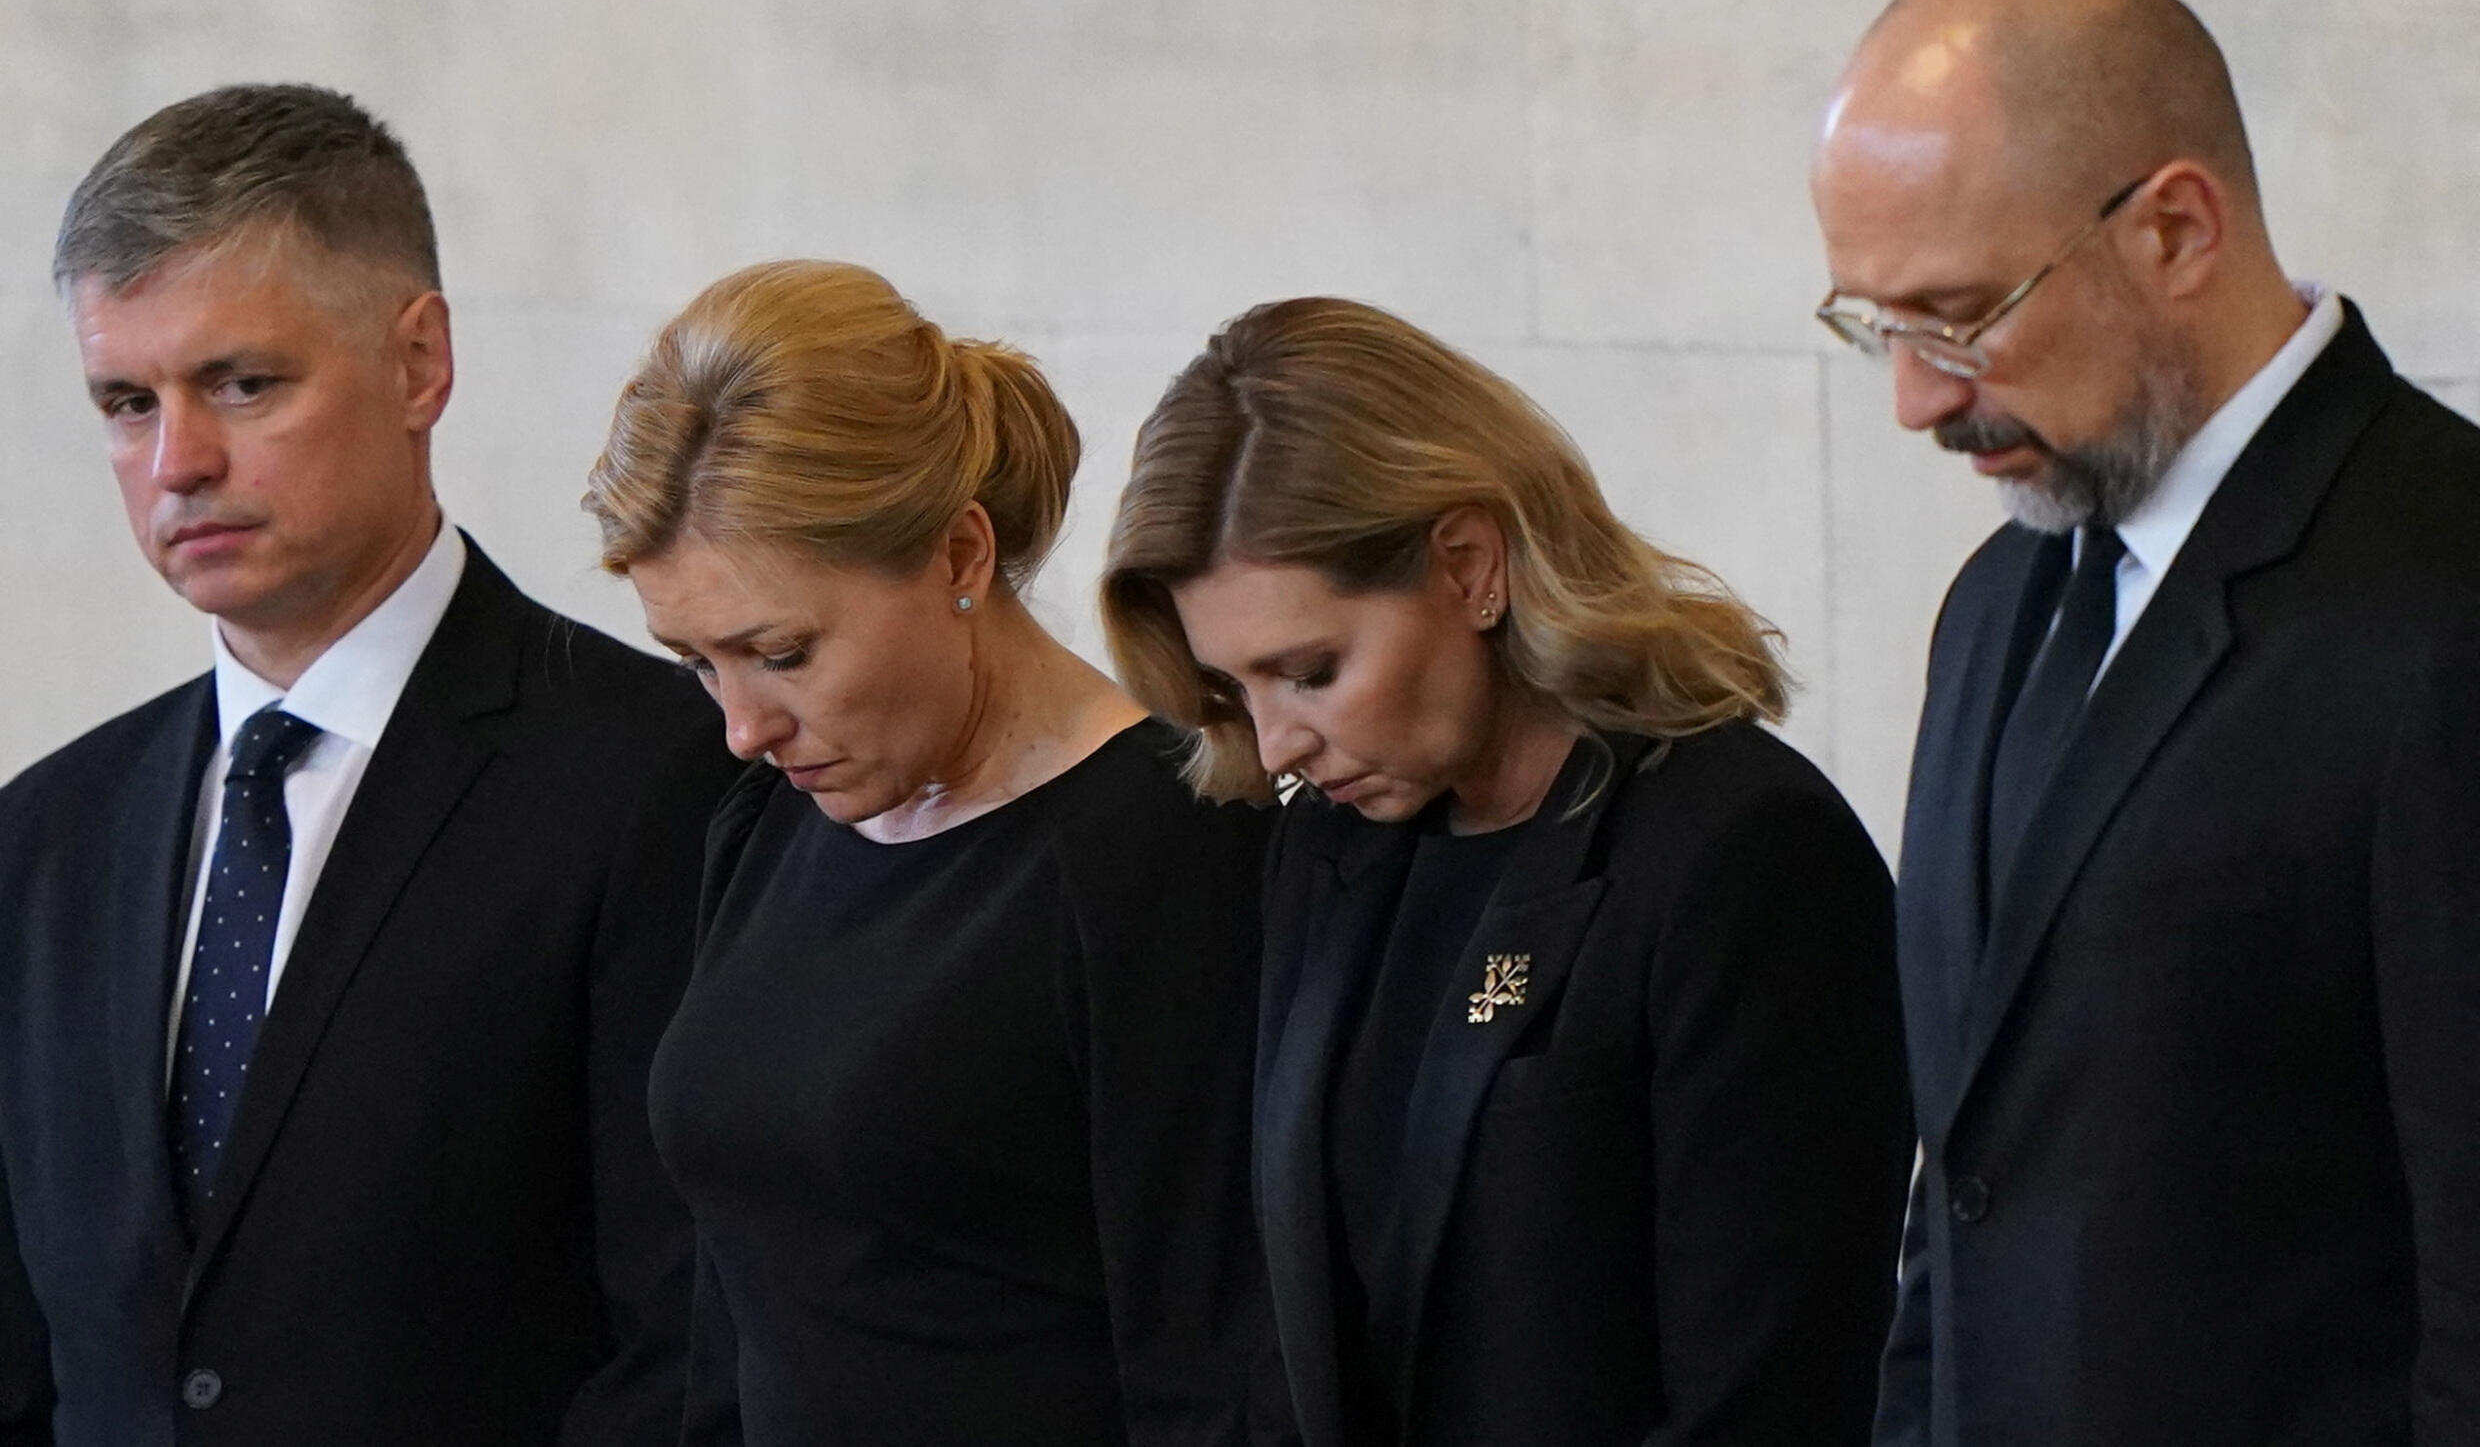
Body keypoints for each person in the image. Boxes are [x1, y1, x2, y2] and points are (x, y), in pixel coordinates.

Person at [1811, 0, 2480, 1446]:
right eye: (1876, 326)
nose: (1916, 396)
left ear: (2175, 227)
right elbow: (1961, 1195)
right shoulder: (1994, 606)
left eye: (1962, 314)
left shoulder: (2444, 596)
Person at [0, 85, 740, 1446]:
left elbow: (690, 1342)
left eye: (243, 382)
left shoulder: (669, 780)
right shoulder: (43, 838)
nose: (178, 462)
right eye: (124, 400)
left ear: (418, 364)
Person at [1099, 296, 1913, 1447]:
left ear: (1469, 567)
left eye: (1312, 670)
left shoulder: (1742, 852)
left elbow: (1770, 1396)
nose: (1275, 742)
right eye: (1238, 690)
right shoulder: (1331, 847)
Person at [583, 259, 1281, 1447]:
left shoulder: (1163, 849)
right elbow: (730, 1305)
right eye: (698, 663)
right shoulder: (768, 823)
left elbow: (1212, 1367)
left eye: (783, 652)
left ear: (959, 556)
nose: (742, 728)